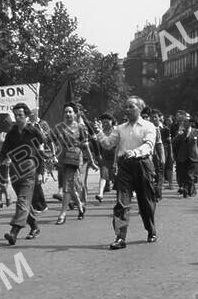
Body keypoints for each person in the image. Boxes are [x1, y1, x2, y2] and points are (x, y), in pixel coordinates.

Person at [94, 96, 162, 249]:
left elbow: (149, 146)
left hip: (143, 164)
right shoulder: (120, 128)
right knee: (121, 201)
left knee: (146, 202)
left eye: (131, 107)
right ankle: (120, 237)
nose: (127, 110)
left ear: (140, 109)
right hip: (125, 166)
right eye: (126, 107)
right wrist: (99, 132)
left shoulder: (149, 126)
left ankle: (151, 230)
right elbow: (107, 144)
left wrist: (136, 152)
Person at [0, 102, 45, 245]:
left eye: (20, 115)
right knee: (24, 201)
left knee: (22, 201)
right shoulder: (11, 133)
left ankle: (14, 233)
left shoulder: (34, 131)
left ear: (26, 116)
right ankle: (35, 227)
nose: (17, 118)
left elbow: (41, 152)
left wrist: (41, 172)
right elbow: (4, 151)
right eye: (16, 115)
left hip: (29, 168)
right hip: (14, 170)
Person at [52, 103, 95, 224]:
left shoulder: (81, 128)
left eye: (70, 112)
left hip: (75, 160)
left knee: (67, 185)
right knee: (70, 187)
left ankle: (62, 214)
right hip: (62, 159)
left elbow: (86, 145)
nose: (68, 114)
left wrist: (91, 161)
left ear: (75, 114)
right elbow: (50, 140)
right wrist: (51, 155)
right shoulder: (58, 127)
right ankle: (81, 207)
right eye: (66, 112)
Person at [173, 117, 198, 197]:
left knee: (190, 175)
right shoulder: (179, 133)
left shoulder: (197, 132)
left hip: (194, 157)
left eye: (186, 122)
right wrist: (176, 156)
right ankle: (191, 191)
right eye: (183, 122)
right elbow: (175, 146)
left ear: (190, 123)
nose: (184, 124)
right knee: (184, 175)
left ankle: (186, 189)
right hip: (182, 157)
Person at [94, 113, 117, 202]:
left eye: (107, 122)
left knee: (117, 177)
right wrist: (97, 156)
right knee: (103, 175)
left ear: (112, 121)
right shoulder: (100, 132)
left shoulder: (116, 131)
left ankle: (129, 192)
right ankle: (100, 194)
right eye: (104, 122)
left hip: (115, 157)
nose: (105, 124)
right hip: (105, 157)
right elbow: (97, 145)